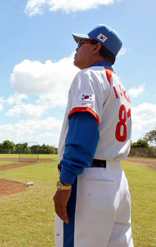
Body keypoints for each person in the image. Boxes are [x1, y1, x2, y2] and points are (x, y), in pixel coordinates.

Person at [54, 24, 133, 246]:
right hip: (118, 182)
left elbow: (83, 132)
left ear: (97, 46)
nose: (76, 49)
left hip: (89, 181)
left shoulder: (89, 76)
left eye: (81, 43)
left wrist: (65, 183)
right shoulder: (120, 85)